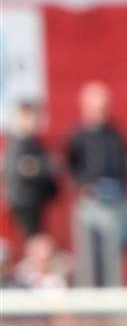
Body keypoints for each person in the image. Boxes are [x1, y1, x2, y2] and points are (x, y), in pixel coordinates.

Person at [65, 81, 127, 286]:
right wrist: (83, 184)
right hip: (90, 201)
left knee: (113, 254)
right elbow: (71, 164)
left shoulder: (115, 135)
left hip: (115, 200)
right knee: (88, 254)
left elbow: (124, 165)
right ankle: (90, 299)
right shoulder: (77, 135)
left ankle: (113, 300)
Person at [4, 101, 58, 239]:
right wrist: (42, 167)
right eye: (30, 117)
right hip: (24, 201)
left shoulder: (34, 142)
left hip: (35, 199)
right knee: (34, 243)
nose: (34, 122)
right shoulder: (18, 143)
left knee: (38, 240)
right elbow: (23, 169)